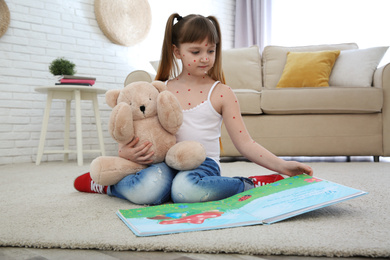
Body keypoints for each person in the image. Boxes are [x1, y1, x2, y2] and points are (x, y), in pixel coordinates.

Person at [74, 13, 313, 205]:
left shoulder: (222, 93)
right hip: (163, 163)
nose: (205, 58)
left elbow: (245, 143)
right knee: (150, 190)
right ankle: (107, 186)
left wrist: (283, 165)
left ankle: (247, 183)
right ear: (177, 52)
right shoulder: (159, 89)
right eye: (196, 52)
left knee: (184, 191)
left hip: (203, 164)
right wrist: (125, 153)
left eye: (211, 51)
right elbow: (137, 128)